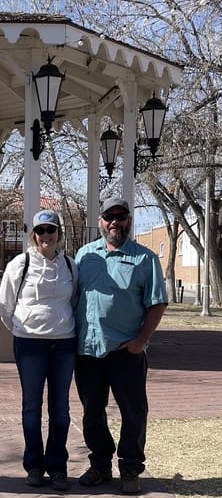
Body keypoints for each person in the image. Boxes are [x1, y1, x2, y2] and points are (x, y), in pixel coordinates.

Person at [75, 197, 168, 494]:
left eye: (121, 216)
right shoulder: (84, 256)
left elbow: (157, 303)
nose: (115, 222)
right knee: (92, 413)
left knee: (133, 412)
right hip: (88, 351)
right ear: (101, 220)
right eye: (109, 216)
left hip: (126, 352)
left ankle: (130, 469)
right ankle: (100, 465)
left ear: (129, 220)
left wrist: (141, 340)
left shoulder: (145, 258)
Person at [0, 209, 78, 491]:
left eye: (51, 230)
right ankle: (34, 464)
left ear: (59, 234)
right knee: (31, 407)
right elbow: (5, 306)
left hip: (64, 344)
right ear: (34, 234)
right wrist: (23, 330)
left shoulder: (70, 265)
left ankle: (57, 467)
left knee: (61, 410)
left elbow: (75, 299)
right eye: (41, 230)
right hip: (29, 343)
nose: (46, 235)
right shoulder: (20, 264)